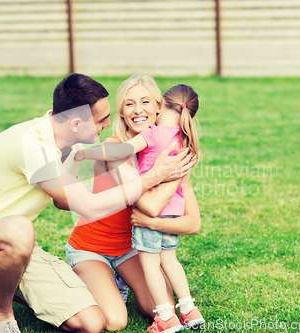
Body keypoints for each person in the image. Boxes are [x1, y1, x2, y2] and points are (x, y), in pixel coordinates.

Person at [0, 73, 194, 333]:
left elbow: (65, 202)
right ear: (75, 123)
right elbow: (90, 207)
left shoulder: (68, 148)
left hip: (17, 246)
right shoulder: (33, 146)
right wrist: (155, 177)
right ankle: (2, 314)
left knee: (92, 323)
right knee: (20, 229)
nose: (108, 123)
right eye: (102, 119)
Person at [65, 75, 202, 331]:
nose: (138, 110)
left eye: (145, 102)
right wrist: (164, 175)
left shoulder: (172, 152)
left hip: (131, 249)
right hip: (92, 247)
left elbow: (193, 223)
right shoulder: (114, 149)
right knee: (116, 321)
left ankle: (118, 279)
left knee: (163, 308)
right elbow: (147, 205)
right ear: (122, 113)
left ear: (159, 106)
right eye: (129, 104)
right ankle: (70, 280)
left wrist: (154, 221)